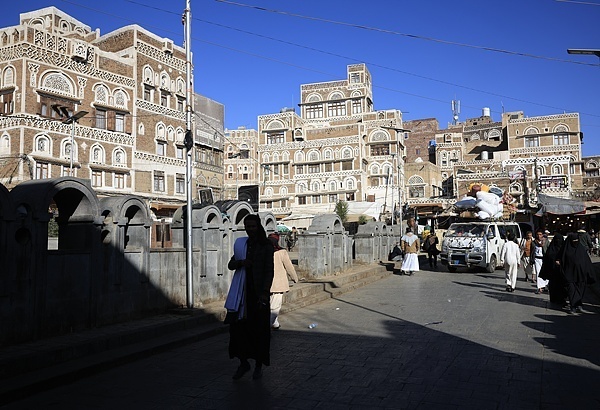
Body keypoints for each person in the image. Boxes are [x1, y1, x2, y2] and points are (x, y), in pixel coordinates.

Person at [225, 214, 274, 380]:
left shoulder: (266, 245)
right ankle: (243, 363)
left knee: (259, 332)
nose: (250, 229)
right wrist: (241, 263)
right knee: (238, 331)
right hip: (242, 295)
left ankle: (258, 366)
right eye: (248, 226)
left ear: (258, 226)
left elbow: (269, 271)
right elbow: (231, 264)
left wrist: (264, 293)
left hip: (258, 296)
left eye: (253, 226)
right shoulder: (242, 245)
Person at [557, 232, 595, 314]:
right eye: (573, 241)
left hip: (581, 275)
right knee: (572, 290)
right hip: (569, 274)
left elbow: (586, 261)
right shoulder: (565, 249)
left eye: (577, 240)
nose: (575, 242)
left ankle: (579, 305)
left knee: (580, 290)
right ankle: (573, 307)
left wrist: (588, 273)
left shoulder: (581, 249)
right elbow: (560, 259)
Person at [268, 233, 298, 330]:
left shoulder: (263, 251)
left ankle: (275, 323)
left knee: (270, 305)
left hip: (266, 283)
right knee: (275, 307)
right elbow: (289, 266)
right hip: (278, 283)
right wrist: (294, 278)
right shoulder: (281, 252)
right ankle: (268, 326)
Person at [538, 233, 567, 305]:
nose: (558, 241)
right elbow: (547, 260)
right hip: (553, 272)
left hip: (561, 272)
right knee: (553, 285)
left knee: (561, 286)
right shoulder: (551, 249)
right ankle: (554, 299)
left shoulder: (564, 249)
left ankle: (561, 299)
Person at [532, 229, 549, 294]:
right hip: (537, 259)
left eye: (540, 234)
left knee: (546, 272)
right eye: (538, 234)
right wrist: (532, 259)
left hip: (544, 259)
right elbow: (532, 251)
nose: (539, 236)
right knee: (538, 273)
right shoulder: (534, 242)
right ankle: (540, 287)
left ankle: (545, 285)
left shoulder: (546, 241)